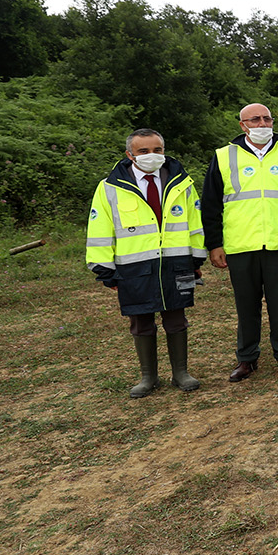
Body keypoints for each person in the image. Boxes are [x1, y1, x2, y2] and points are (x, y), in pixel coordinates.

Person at [86, 128, 206, 398]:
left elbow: (195, 223)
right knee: (141, 321)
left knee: (177, 317)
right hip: (134, 267)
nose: (152, 156)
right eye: (143, 151)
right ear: (130, 155)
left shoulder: (182, 183)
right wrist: (104, 268)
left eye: (157, 150)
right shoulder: (109, 188)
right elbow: (99, 228)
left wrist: (197, 257)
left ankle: (181, 373)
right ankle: (148, 377)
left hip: (177, 263)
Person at [202, 102, 278, 382]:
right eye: (255, 120)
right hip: (241, 245)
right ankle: (246, 359)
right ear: (242, 125)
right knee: (246, 306)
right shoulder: (223, 156)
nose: (263, 124)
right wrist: (214, 244)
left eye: (267, 118)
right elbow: (210, 205)